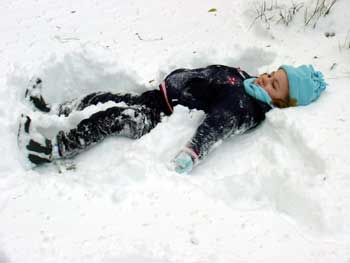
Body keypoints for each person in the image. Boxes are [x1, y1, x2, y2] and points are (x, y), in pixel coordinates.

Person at [18, 64, 327, 173]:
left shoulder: (244, 106)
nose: (266, 79)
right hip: (159, 95)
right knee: (105, 96)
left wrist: (192, 153)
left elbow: (217, 125)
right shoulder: (245, 80)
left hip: (160, 116)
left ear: (281, 102)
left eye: (274, 85)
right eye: (272, 74)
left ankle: (54, 148)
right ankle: (55, 109)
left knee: (114, 116)